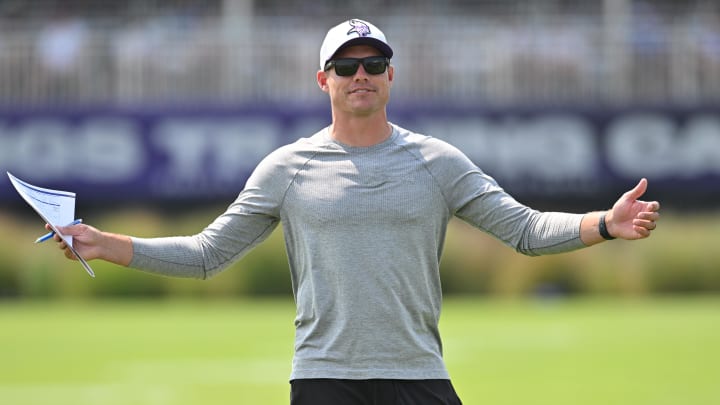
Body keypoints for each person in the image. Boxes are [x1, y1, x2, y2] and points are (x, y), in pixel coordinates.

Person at [50, 18, 660, 405]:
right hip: (323, 379)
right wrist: (105, 243)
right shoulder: (286, 167)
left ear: (391, 75)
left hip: (418, 372)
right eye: (346, 66)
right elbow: (208, 255)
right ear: (324, 80)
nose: (360, 75)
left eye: (372, 65)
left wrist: (605, 224)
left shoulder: (437, 160)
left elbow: (524, 230)